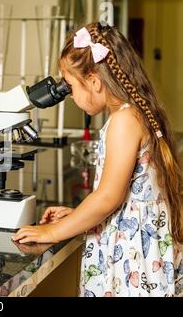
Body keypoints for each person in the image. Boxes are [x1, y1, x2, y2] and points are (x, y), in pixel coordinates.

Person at [12, 22, 183, 297]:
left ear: (94, 80)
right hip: (144, 249)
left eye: (69, 86)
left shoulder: (124, 121)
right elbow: (127, 199)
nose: (68, 94)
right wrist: (80, 216)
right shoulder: (137, 112)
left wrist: (53, 232)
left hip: (132, 261)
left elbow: (107, 198)